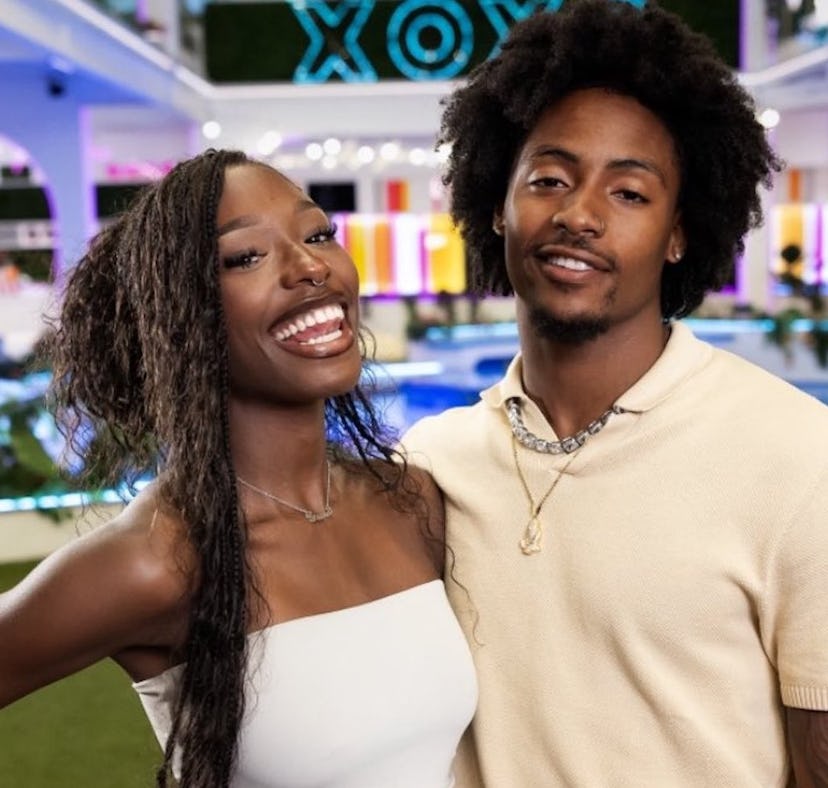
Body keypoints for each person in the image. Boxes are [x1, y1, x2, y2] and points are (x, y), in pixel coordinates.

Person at [402, 1, 828, 786]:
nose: (578, 214)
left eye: (629, 193)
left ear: (679, 232)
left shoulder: (800, 459)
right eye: (549, 179)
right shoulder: (431, 466)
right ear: (497, 204)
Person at [0, 149, 476, 787]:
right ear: (180, 313)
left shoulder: (408, 501)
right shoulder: (155, 562)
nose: (310, 267)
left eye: (317, 235)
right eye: (246, 256)